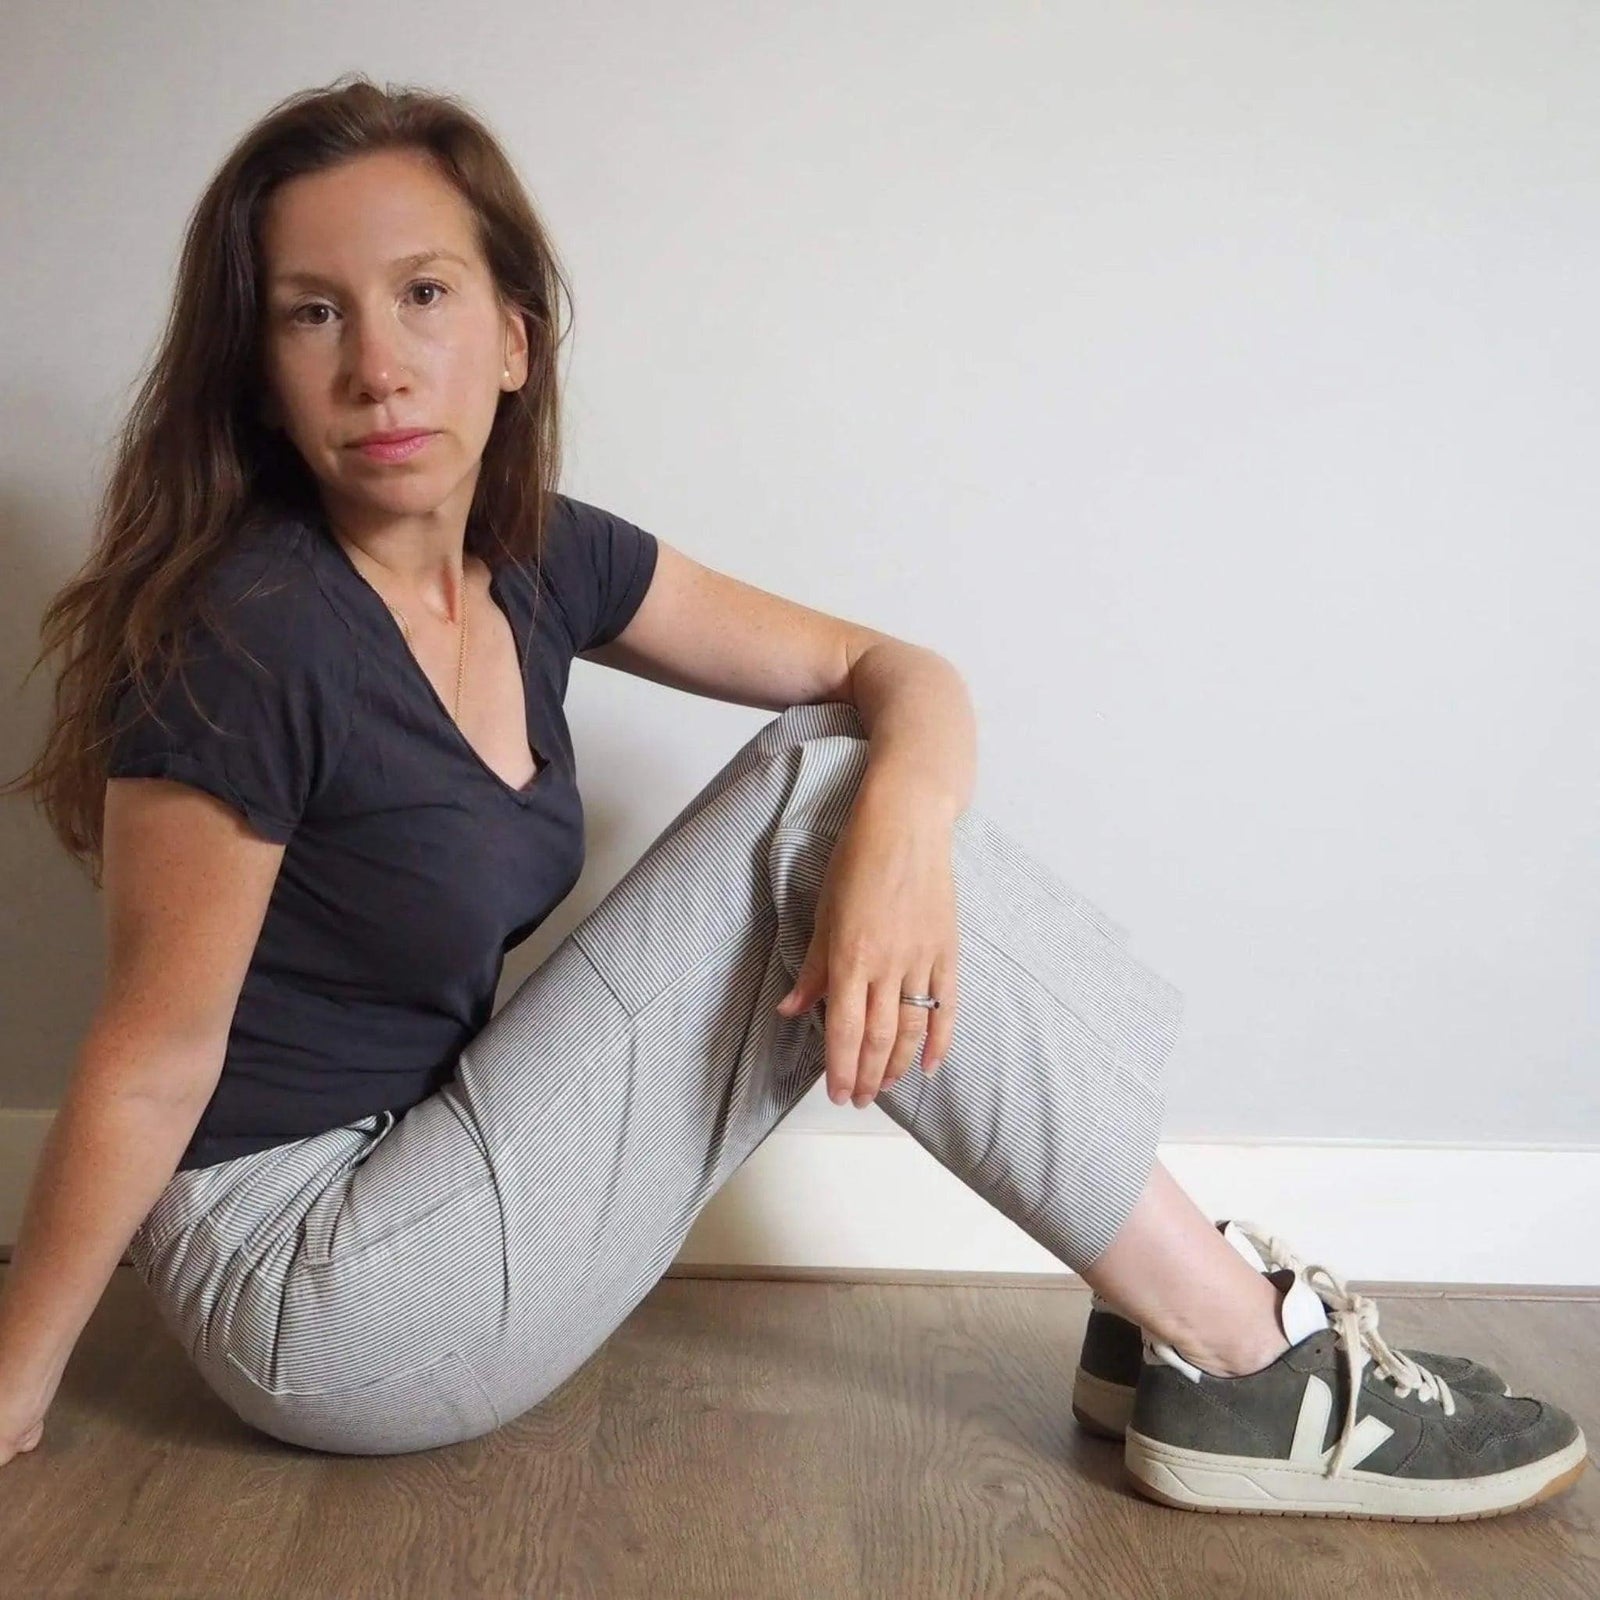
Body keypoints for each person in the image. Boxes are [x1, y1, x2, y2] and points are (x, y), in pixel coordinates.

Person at [0, 73, 1585, 1522]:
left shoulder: (534, 553)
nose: (378, 363)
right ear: (259, 372)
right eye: (310, 315)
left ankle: (1190, 1323)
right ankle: (1241, 1350)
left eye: (423, 294)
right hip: (311, 1291)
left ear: (511, 337)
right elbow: (153, 1057)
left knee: (844, 785)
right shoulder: (248, 637)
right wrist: (12, 1382)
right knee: (814, 803)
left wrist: (899, 836)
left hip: (422, 1171)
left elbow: (897, 670)